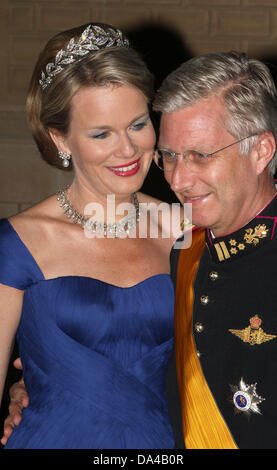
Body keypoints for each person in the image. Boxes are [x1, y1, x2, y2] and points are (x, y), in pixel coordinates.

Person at [0, 22, 185, 449]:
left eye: (138, 124)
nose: (127, 150)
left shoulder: (187, 229)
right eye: (101, 133)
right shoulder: (19, 243)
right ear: (59, 138)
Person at [152, 51, 277, 449]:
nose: (178, 179)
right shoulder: (182, 250)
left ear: (261, 151)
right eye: (168, 156)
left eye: (200, 156)